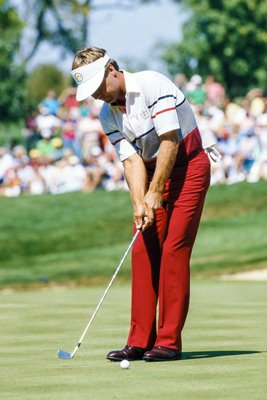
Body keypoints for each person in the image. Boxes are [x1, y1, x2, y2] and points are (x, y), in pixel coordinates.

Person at [71, 47, 211, 362]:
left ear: (112, 69)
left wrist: (155, 191)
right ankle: (139, 340)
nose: (95, 96)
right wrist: (139, 201)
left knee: (174, 249)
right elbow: (132, 161)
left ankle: (168, 342)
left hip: (188, 169)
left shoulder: (151, 84)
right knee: (142, 248)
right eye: (89, 92)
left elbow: (169, 140)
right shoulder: (107, 114)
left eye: (97, 87)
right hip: (151, 173)